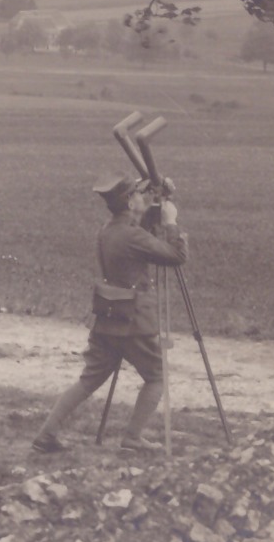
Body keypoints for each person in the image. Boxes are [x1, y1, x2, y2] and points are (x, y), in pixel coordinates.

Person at [31, 173, 188, 454]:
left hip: (107, 318)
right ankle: (133, 437)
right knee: (156, 376)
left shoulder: (109, 229)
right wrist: (171, 222)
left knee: (88, 380)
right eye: (138, 194)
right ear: (129, 202)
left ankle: (46, 435)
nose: (142, 196)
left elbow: (140, 234)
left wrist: (154, 202)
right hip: (134, 322)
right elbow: (176, 257)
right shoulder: (132, 235)